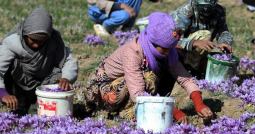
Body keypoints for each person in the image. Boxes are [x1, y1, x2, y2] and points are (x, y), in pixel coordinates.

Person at [85, 12, 214, 123]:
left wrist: (199, 103)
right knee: (148, 78)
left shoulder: (168, 51)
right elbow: (138, 93)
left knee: (158, 73)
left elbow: (184, 78)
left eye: (170, 48)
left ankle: (145, 106)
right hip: (103, 89)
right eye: (164, 49)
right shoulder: (133, 52)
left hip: (129, 85)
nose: (168, 52)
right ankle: (123, 112)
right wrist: (170, 110)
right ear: (154, 42)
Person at [0, 7, 78, 114]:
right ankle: (20, 103)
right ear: (25, 33)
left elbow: (68, 60)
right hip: (18, 83)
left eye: (42, 41)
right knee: (9, 66)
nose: (37, 44)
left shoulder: (53, 40)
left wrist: (66, 78)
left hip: (44, 83)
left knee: (59, 75)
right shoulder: (13, 42)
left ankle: (37, 104)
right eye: (33, 40)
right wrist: (3, 93)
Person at [170, 0, 233, 79]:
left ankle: (196, 70)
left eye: (208, 7)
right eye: (202, 6)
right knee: (205, 34)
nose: (205, 10)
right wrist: (194, 43)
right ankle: (189, 70)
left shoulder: (219, 11)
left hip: (198, 52)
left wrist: (225, 42)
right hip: (176, 52)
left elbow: (223, 31)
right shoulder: (187, 10)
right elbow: (170, 40)